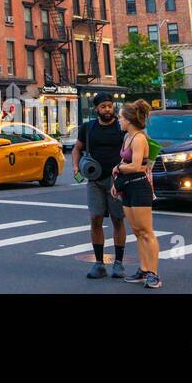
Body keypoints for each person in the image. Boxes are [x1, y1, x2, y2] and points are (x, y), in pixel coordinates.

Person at [69, 92, 128, 279]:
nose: (107, 109)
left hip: (116, 179)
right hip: (94, 180)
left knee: (118, 219)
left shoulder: (121, 128)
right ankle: (99, 263)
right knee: (95, 219)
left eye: (110, 106)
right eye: (103, 107)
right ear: (97, 109)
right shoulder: (88, 128)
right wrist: (76, 167)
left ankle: (118, 263)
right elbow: (77, 148)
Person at [112, 99, 161, 289]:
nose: (119, 120)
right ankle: (143, 269)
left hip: (140, 187)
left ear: (130, 120)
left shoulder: (139, 138)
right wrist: (116, 181)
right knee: (137, 232)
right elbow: (126, 165)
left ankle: (154, 274)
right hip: (127, 187)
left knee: (147, 232)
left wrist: (118, 167)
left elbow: (135, 166)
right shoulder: (126, 138)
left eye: (121, 118)